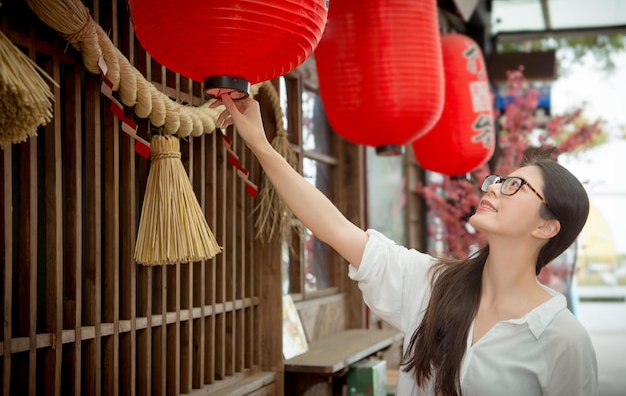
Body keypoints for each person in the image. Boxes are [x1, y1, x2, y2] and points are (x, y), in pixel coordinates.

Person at [211, 95, 598, 396]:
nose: (495, 186)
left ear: (547, 227)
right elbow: (333, 228)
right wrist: (260, 145)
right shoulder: (433, 285)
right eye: (500, 179)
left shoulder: (561, 338)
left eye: (515, 186)